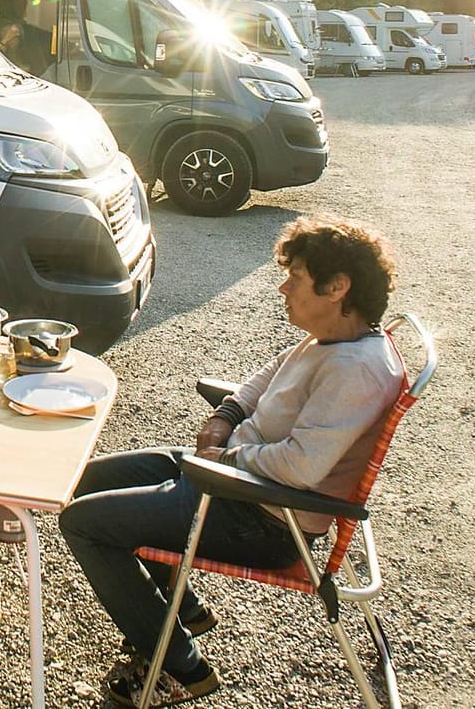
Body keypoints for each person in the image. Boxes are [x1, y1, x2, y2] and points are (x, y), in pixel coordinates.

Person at [57, 216, 403, 708]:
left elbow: (301, 467)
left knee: (85, 524)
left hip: (264, 516)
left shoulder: (356, 371)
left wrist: (226, 456)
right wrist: (225, 417)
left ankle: (180, 668)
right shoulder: (331, 338)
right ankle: (184, 612)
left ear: (337, 287)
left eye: (297, 278)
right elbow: (267, 377)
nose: (284, 287)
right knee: (83, 481)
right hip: (232, 478)